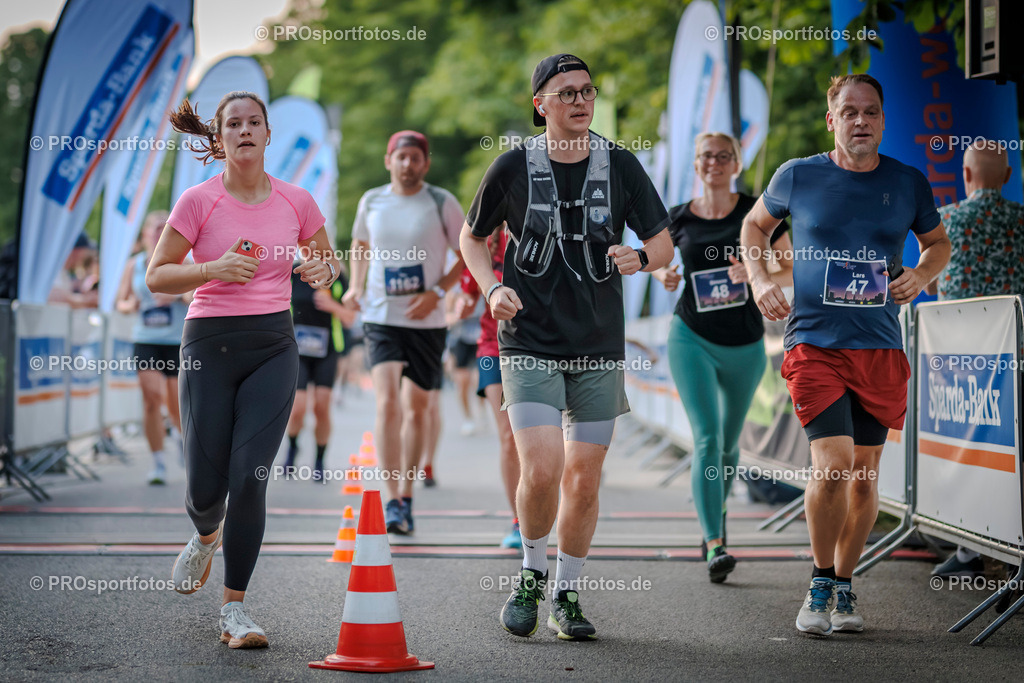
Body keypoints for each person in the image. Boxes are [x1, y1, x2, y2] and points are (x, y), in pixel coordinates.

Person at [461, 54, 671, 641]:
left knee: (584, 477)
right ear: (540, 104)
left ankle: (568, 592)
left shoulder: (620, 165)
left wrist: (643, 257)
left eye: (587, 91)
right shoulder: (512, 167)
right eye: (566, 93)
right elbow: (471, 238)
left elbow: (663, 244)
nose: (580, 101)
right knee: (544, 467)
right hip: (527, 339)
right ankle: (530, 572)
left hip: (598, 346)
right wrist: (492, 286)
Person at [740, 74, 950, 636]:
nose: (861, 121)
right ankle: (819, 581)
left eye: (871, 112)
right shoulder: (798, 175)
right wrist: (760, 278)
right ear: (831, 120)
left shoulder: (908, 182)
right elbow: (754, 225)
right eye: (850, 112)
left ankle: (845, 586)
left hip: (879, 345)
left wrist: (921, 275)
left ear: (883, 121)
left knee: (862, 478)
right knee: (832, 465)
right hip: (814, 342)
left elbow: (939, 244)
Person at [147, 91, 340, 649]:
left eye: (255, 122)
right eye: (234, 123)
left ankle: (235, 610)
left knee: (250, 474)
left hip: (272, 346)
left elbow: (328, 265)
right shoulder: (197, 201)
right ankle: (206, 534)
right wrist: (212, 268)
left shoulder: (297, 201)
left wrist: (319, 271)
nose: (245, 130)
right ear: (221, 137)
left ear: (268, 134)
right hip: (208, 342)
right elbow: (157, 277)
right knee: (206, 489)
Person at [652, 132, 793, 583]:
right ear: (695, 164)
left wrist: (756, 270)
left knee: (731, 447)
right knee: (708, 439)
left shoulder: (757, 214)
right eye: (705, 156)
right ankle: (715, 541)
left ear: (736, 163)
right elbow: (656, 260)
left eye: (723, 156)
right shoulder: (677, 217)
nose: (713, 162)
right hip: (691, 336)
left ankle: (718, 511)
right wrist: (664, 274)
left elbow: (792, 265)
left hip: (746, 343)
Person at [342, 130, 465, 534]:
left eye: (415, 158)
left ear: (425, 163)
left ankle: (408, 494)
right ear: (388, 161)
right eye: (401, 158)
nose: (408, 165)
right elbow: (360, 244)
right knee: (387, 404)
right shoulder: (372, 200)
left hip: (426, 322)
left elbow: (468, 252)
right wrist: (356, 285)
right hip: (381, 317)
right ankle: (391, 498)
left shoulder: (441, 201)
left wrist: (437, 293)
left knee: (416, 410)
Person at [925, 140, 1024, 579]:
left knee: (967, 455)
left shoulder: (946, 222)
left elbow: (928, 287)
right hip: (1016, 363)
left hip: (960, 365)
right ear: (1007, 177)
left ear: (965, 176)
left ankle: (970, 551)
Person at [114, 210, 190, 485]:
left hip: (176, 341)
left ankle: (182, 439)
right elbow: (120, 302)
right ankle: (157, 462)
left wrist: (178, 294)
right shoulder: (133, 266)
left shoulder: (184, 261)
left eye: (165, 227)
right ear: (145, 233)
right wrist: (131, 305)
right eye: (156, 227)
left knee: (175, 402)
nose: (160, 232)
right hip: (146, 339)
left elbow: (195, 293)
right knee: (151, 398)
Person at [458, 226, 522, 548]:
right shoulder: (483, 242)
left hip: (539, 350)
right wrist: (459, 306)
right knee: (510, 436)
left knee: (547, 438)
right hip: (491, 351)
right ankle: (519, 521)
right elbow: (467, 294)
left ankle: (546, 507)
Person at [284, 259, 354, 481]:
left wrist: (333, 305)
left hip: (327, 351)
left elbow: (350, 319)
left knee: (321, 408)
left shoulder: (335, 276)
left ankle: (319, 460)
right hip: (298, 351)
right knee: (297, 409)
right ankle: (292, 449)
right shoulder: (292, 272)